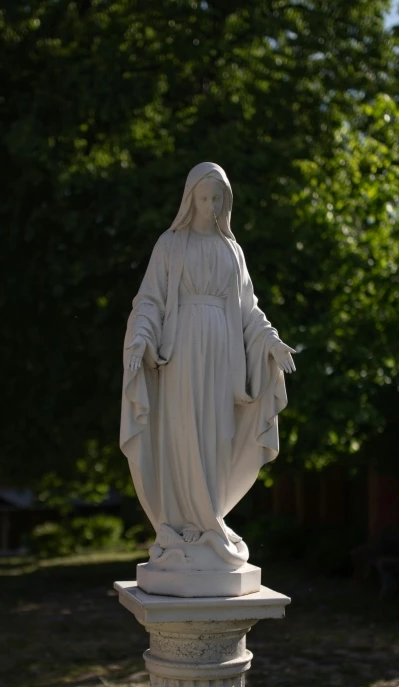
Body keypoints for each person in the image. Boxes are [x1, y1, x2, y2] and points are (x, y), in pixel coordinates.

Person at [120, 162, 296, 580]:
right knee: (184, 432)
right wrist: (140, 338)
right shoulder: (171, 244)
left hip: (223, 354)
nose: (211, 206)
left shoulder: (232, 250)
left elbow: (248, 309)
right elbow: (150, 300)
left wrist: (269, 341)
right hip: (182, 352)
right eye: (204, 198)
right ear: (190, 199)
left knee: (218, 435)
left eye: (218, 198)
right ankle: (183, 526)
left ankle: (210, 522)